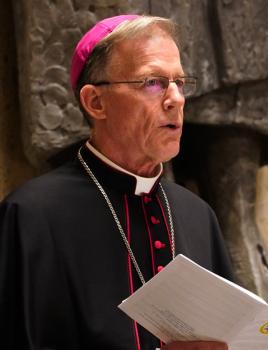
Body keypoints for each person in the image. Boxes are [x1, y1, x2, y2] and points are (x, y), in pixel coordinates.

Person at [0, 15, 233, 350]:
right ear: (96, 102)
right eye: (153, 82)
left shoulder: (198, 215)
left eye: (180, 83)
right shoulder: (31, 216)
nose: (176, 99)